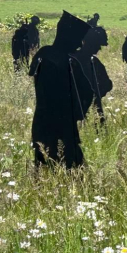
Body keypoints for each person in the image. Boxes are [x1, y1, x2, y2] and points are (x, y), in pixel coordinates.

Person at [29, 12, 93, 169]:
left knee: (45, 161)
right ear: (68, 36)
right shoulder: (69, 62)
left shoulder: (44, 54)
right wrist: (78, 112)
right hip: (63, 121)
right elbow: (87, 92)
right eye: (78, 39)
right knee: (69, 164)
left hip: (44, 120)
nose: (79, 44)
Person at [72, 26, 113, 122]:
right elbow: (107, 85)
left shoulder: (71, 58)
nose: (99, 48)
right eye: (98, 45)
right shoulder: (93, 62)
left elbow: (107, 85)